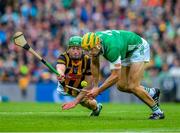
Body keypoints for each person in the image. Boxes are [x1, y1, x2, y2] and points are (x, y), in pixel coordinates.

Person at [81, 30, 165, 119]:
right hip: (126, 51)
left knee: (133, 86)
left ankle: (158, 112)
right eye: (87, 50)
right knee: (121, 86)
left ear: (98, 45)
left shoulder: (112, 48)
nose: (89, 52)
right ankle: (152, 92)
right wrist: (95, 86)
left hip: (138, 48)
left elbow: (116, 76)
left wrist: (98, 90)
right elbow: (95, 64)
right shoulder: (95, 43)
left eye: (91, 49)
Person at [56, 36, 102, 116]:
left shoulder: (87, 60)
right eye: (73, 48)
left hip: (80, 88)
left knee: (90, 104)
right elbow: (60, 67)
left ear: (82, 50)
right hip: (65, 86)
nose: (75, 52)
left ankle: (96, 108)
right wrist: (61, 73)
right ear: (68, 49)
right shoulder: (63, 57)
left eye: (78, 49)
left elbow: (87, 84)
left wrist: (75, 102)